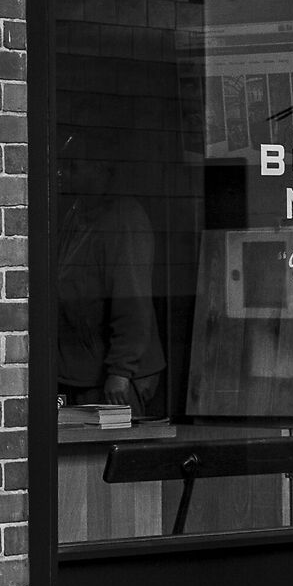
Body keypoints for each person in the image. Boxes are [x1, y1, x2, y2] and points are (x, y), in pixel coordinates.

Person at [55, 134, 164, 415]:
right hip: (80, 373)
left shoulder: (123, 218)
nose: (62, 173)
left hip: (114, 380)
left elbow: (132, 301)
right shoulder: (77, 213)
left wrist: (120, 371)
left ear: (100, 170)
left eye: (72, 166)